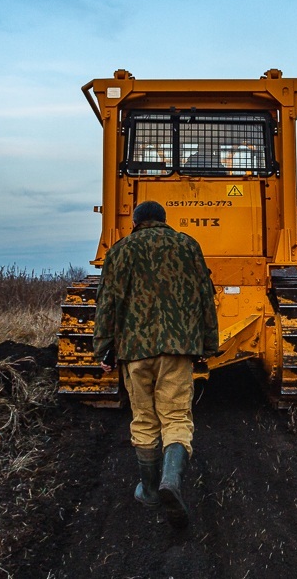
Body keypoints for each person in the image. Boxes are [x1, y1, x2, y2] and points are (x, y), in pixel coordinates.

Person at [93, 200, 218, 529]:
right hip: (177, 349)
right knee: (176, 416)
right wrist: (207, 344)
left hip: (135, 350)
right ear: (164, 221)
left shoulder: (121, 250)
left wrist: (104, 348)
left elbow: (108, 300)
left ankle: (149, 490)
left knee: (145, 420)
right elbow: (205, 295)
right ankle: (171, 482)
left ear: (135, 222)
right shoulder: (187, 245)